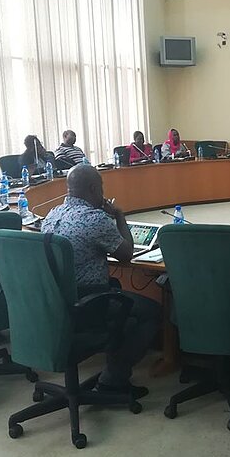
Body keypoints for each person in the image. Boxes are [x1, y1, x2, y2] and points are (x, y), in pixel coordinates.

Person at [41, 164, 161, 397]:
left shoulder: (53, 214)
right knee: (151, 312)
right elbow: (126, 254)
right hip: (86, 304)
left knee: (118, 292)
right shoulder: (94, 219)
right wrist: (119, 216)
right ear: (94, 189)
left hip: (55, 302)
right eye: (101, 187)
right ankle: (114, 379)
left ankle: (113, 368)